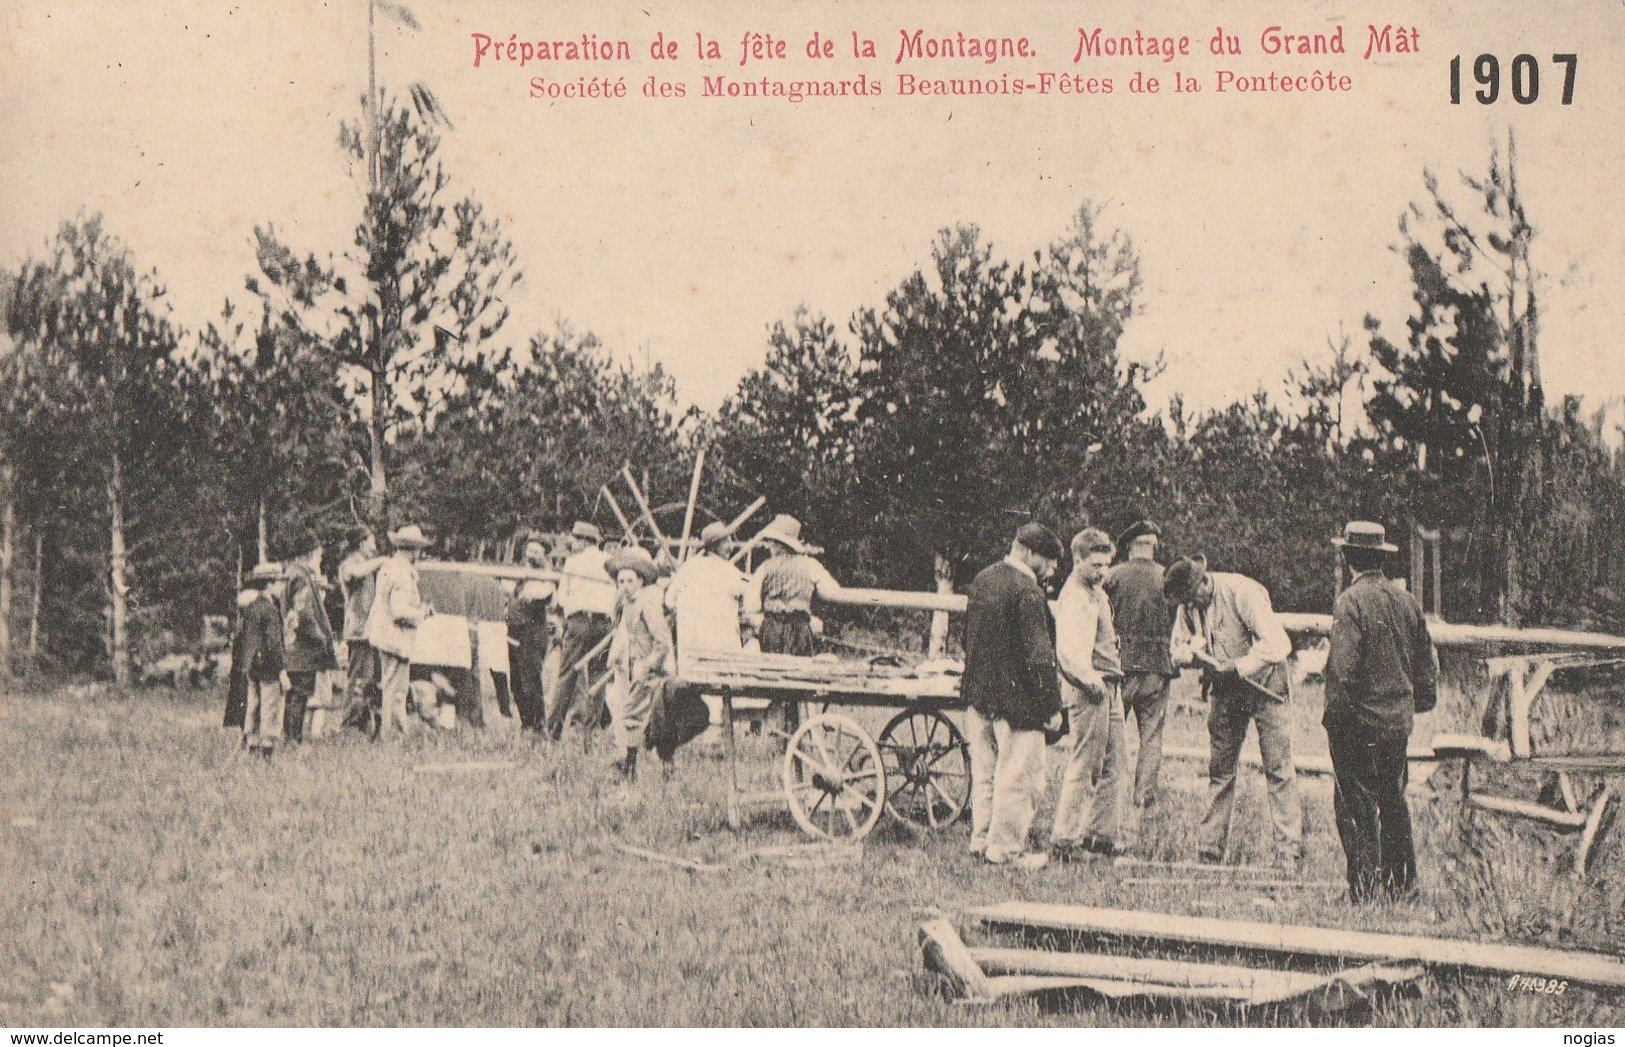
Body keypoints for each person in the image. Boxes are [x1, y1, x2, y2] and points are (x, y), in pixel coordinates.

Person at [1324, 521, 1439, 903]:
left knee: (1355, 805)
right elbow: (1427, 670)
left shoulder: (1350, 603)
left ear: (1348, 557)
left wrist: (1335, 723)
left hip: (1358, 724)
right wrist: (1412, 706)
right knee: (1393, 800)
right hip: (1395, 725)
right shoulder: (1407, 601)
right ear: (1380, 557)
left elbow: (1342, 672)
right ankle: (1402, 886)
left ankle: (1364, 891)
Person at [1166, 554, 1302, 868]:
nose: (1193, 604)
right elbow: (1176, 649)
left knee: (1278, 768)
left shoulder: (1243, 592)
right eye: (1186, 601)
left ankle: (1288, 853)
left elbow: (1279, 644)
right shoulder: (1188, 606)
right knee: (1220, 770)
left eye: (1194, 596)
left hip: (1267, 686)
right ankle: (1209, 850)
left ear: (1203, 579)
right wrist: (1193, 654)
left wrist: (1238, 667)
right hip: (1227, 690)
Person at [961, 522, 1066, 870]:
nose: (1051, 570)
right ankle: (1005, 849)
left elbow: (968, 639)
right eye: (1049, 561)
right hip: (1018, 703)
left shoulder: (982, 580)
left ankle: (981, 839)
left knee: (986, 774)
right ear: (1031, 553)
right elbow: (1040, 657)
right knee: (1018, 779)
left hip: (978, 696)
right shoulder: (1028, 593)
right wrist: (1051, 706)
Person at [1050, 528, 1126, 860]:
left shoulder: (1096, 592)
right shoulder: (1076, 597)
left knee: (1114, 762)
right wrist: (1091, 683)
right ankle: (1065, 840)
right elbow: (1069, 653)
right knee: (1085, 764)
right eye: (1095, 565)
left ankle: (1099, 836)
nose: (1102, 572)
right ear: (1077, 559)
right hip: (1090, 689)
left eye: (1106, 565)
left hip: (1110, 684)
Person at [655, 520, 747, 759]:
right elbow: (746, 593)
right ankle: (715, 742)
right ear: (716, 546)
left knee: (697, 690)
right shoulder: (728, 571)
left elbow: (669, 601)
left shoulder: (688, 569)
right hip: (720, 641)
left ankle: (697, 738)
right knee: (721, 690)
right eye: (726, 542)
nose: (730, 547)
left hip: (692, 644)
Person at [744, 514, 841, 739]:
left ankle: (780, 729)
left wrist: (763, 623)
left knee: (776, 679)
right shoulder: (809, 565)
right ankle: (799, 728)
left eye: (771, 543)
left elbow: (751, 605)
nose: (768, 548)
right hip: (799, 629)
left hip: (772, 629)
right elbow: (833, 591)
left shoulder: (765, 568)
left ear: (778, 544)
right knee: (800, 679)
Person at [1105, 519, 1177, 809]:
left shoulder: (1113, 576)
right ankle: (1143, 798)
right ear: (1153, 545)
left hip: (1119, 667)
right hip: (1157, 669)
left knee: (1112, 735)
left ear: (1129, 546)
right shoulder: (1167, 578)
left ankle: (1112, 796)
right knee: (1151, 737)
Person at [604, 544, 672, 780]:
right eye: (621, 582)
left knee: (633, 718)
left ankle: (629, 769)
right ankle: (636, 767)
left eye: (630, 581)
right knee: (630, 715)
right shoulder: (626, 605)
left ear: (641, 581)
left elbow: (663, 642)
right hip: (628, 668)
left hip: (647, 670)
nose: (624, 586)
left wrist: (647, 665)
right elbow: (622, 635)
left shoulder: (648, 604)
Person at [546, 521, 616, 741]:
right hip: (603, 624)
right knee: (598, 676)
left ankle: (553, 730)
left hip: (579, 622)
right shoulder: (610, 562)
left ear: (585, 541)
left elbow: (563, 598)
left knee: (567, 674)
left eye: (575, 540)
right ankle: (591, 732)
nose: (572, 544)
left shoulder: (573, 563)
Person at [366, 524, 435, 736]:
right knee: (396, 689)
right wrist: (422, 613)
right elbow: (399, 611)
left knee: (392, 686)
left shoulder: (388, 567)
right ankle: (392, 733)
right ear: (413, 550)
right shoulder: (403, 574)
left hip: (383, 635)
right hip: (395, 638)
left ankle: (392, 730)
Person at [281, 534, 338, 745]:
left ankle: (290, 737)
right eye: (319, 555)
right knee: (300, 694)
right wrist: (320, 637)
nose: (320, 559)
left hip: (294, 645)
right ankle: (294, 739)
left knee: (295, 694)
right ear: (311, 553)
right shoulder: (301, 577)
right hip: (303, 649)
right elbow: (304, 613)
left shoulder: (292, 574)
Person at [234, 563, 289, 758]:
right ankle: (266, 750)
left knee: (254, 706)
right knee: (270, 707)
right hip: (270, 668)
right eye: (279, 583)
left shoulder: (251, 608)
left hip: (253, 667)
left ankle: (251, 744)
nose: (282, 587)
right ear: (269, 584)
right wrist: (282, 671)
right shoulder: (270, 610)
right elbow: (274, 643)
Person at [338, 526, 387, 734]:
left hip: (369, 632)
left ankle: (364, 724)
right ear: (361, 543)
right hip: (358, 632)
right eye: (371, 541)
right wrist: (382, 561)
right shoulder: (350, 564)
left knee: (370, 680)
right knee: (358, 678)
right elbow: (355, 573)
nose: (374, 545)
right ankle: (349, 723)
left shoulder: (365, 565)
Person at [508, 532, 557, 734]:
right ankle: (526, 722)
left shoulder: (547, 576)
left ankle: (538, 726)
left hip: (533, 632)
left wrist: (526, 594)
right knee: (516, 681)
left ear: (544, 555)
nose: (532, 555)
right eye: (530, 550)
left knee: (531, 680)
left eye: (537, 552)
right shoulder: (520, 572)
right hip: (514, 628)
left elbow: (543, 595)